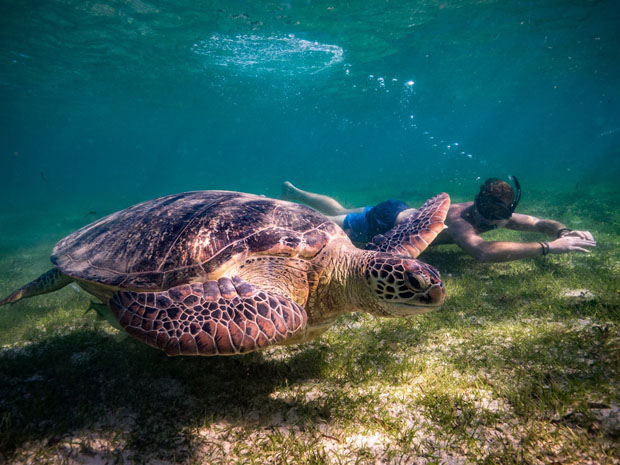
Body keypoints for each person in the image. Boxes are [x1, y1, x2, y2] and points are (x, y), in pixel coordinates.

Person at [280, 178, 596, 263]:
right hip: (387, 222)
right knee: (332, 222)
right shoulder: (460, 219)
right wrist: (549, 248)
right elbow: (482, 252)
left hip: (401, 210)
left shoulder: (499, 214)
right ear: (478, 204)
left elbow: (541, 223)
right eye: (489, 213)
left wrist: (564, 232)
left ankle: (296, 192)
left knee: (343, 210)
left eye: (501, 214)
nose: (494, 220)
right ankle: (287, 204)